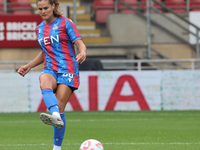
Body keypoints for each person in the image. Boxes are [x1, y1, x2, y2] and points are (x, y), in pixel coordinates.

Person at [17, 0, 87, 149]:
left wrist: (83, 52)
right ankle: (54, 114)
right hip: (50, 68)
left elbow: (79, 42)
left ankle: (57, 147)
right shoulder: (40, 29)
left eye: (46, 8)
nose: (43, 11)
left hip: (68, 69)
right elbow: (45, 52)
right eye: (40, 9)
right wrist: (29, 65)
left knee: (60, 107)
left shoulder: (65, 23)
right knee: (43, 79)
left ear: (54, 6)